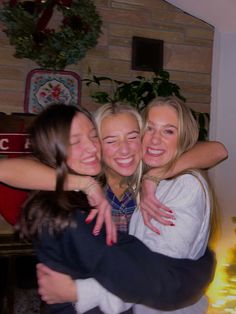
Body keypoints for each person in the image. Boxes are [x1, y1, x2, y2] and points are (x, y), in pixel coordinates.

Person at [2, 102, 216, 314]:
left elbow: (217, 149)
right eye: (110, 140)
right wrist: (86, 184)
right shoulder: (82, 192)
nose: (124, 148)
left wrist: (154, 176)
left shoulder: (149, 185)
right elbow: (6, 169)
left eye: (133, 137)